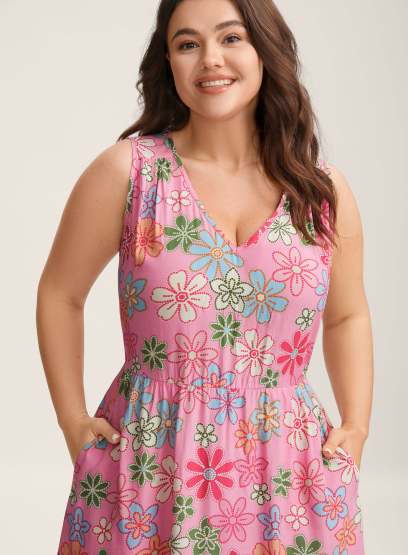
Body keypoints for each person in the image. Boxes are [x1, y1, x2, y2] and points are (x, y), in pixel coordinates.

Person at [36, 1, 373, 553]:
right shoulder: (131, 173)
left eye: (231, 38)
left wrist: (356, 427)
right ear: (168, 61)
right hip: (149, 470)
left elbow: (347, 315)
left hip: (290, 471)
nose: (210, 59)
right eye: (188, 44)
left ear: (265, 50)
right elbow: (59, 293)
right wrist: (73, 421)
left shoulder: (321, 193)